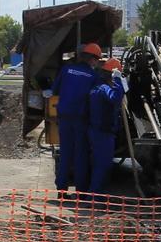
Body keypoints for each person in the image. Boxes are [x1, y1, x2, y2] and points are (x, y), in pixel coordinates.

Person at [51, 43, 103, 195]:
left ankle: (61, 190)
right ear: (92, 59)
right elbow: (97, 98)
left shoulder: (66, 69)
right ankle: (80, 191)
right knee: (80, 154)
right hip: (81, 119)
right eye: (97, 60)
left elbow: (55, 90)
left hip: (64, 117)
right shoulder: (94, 76)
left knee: (66, 152)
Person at [86, 58, 127, 195]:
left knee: (101, 164)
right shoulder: (104, 89)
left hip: (99, 131)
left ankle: (98, 194)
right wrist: (118, 81)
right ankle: (95, 197)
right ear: (112, 75)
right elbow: (115, 98)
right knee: (102, 165)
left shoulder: (97, 86)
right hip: (102, 133)